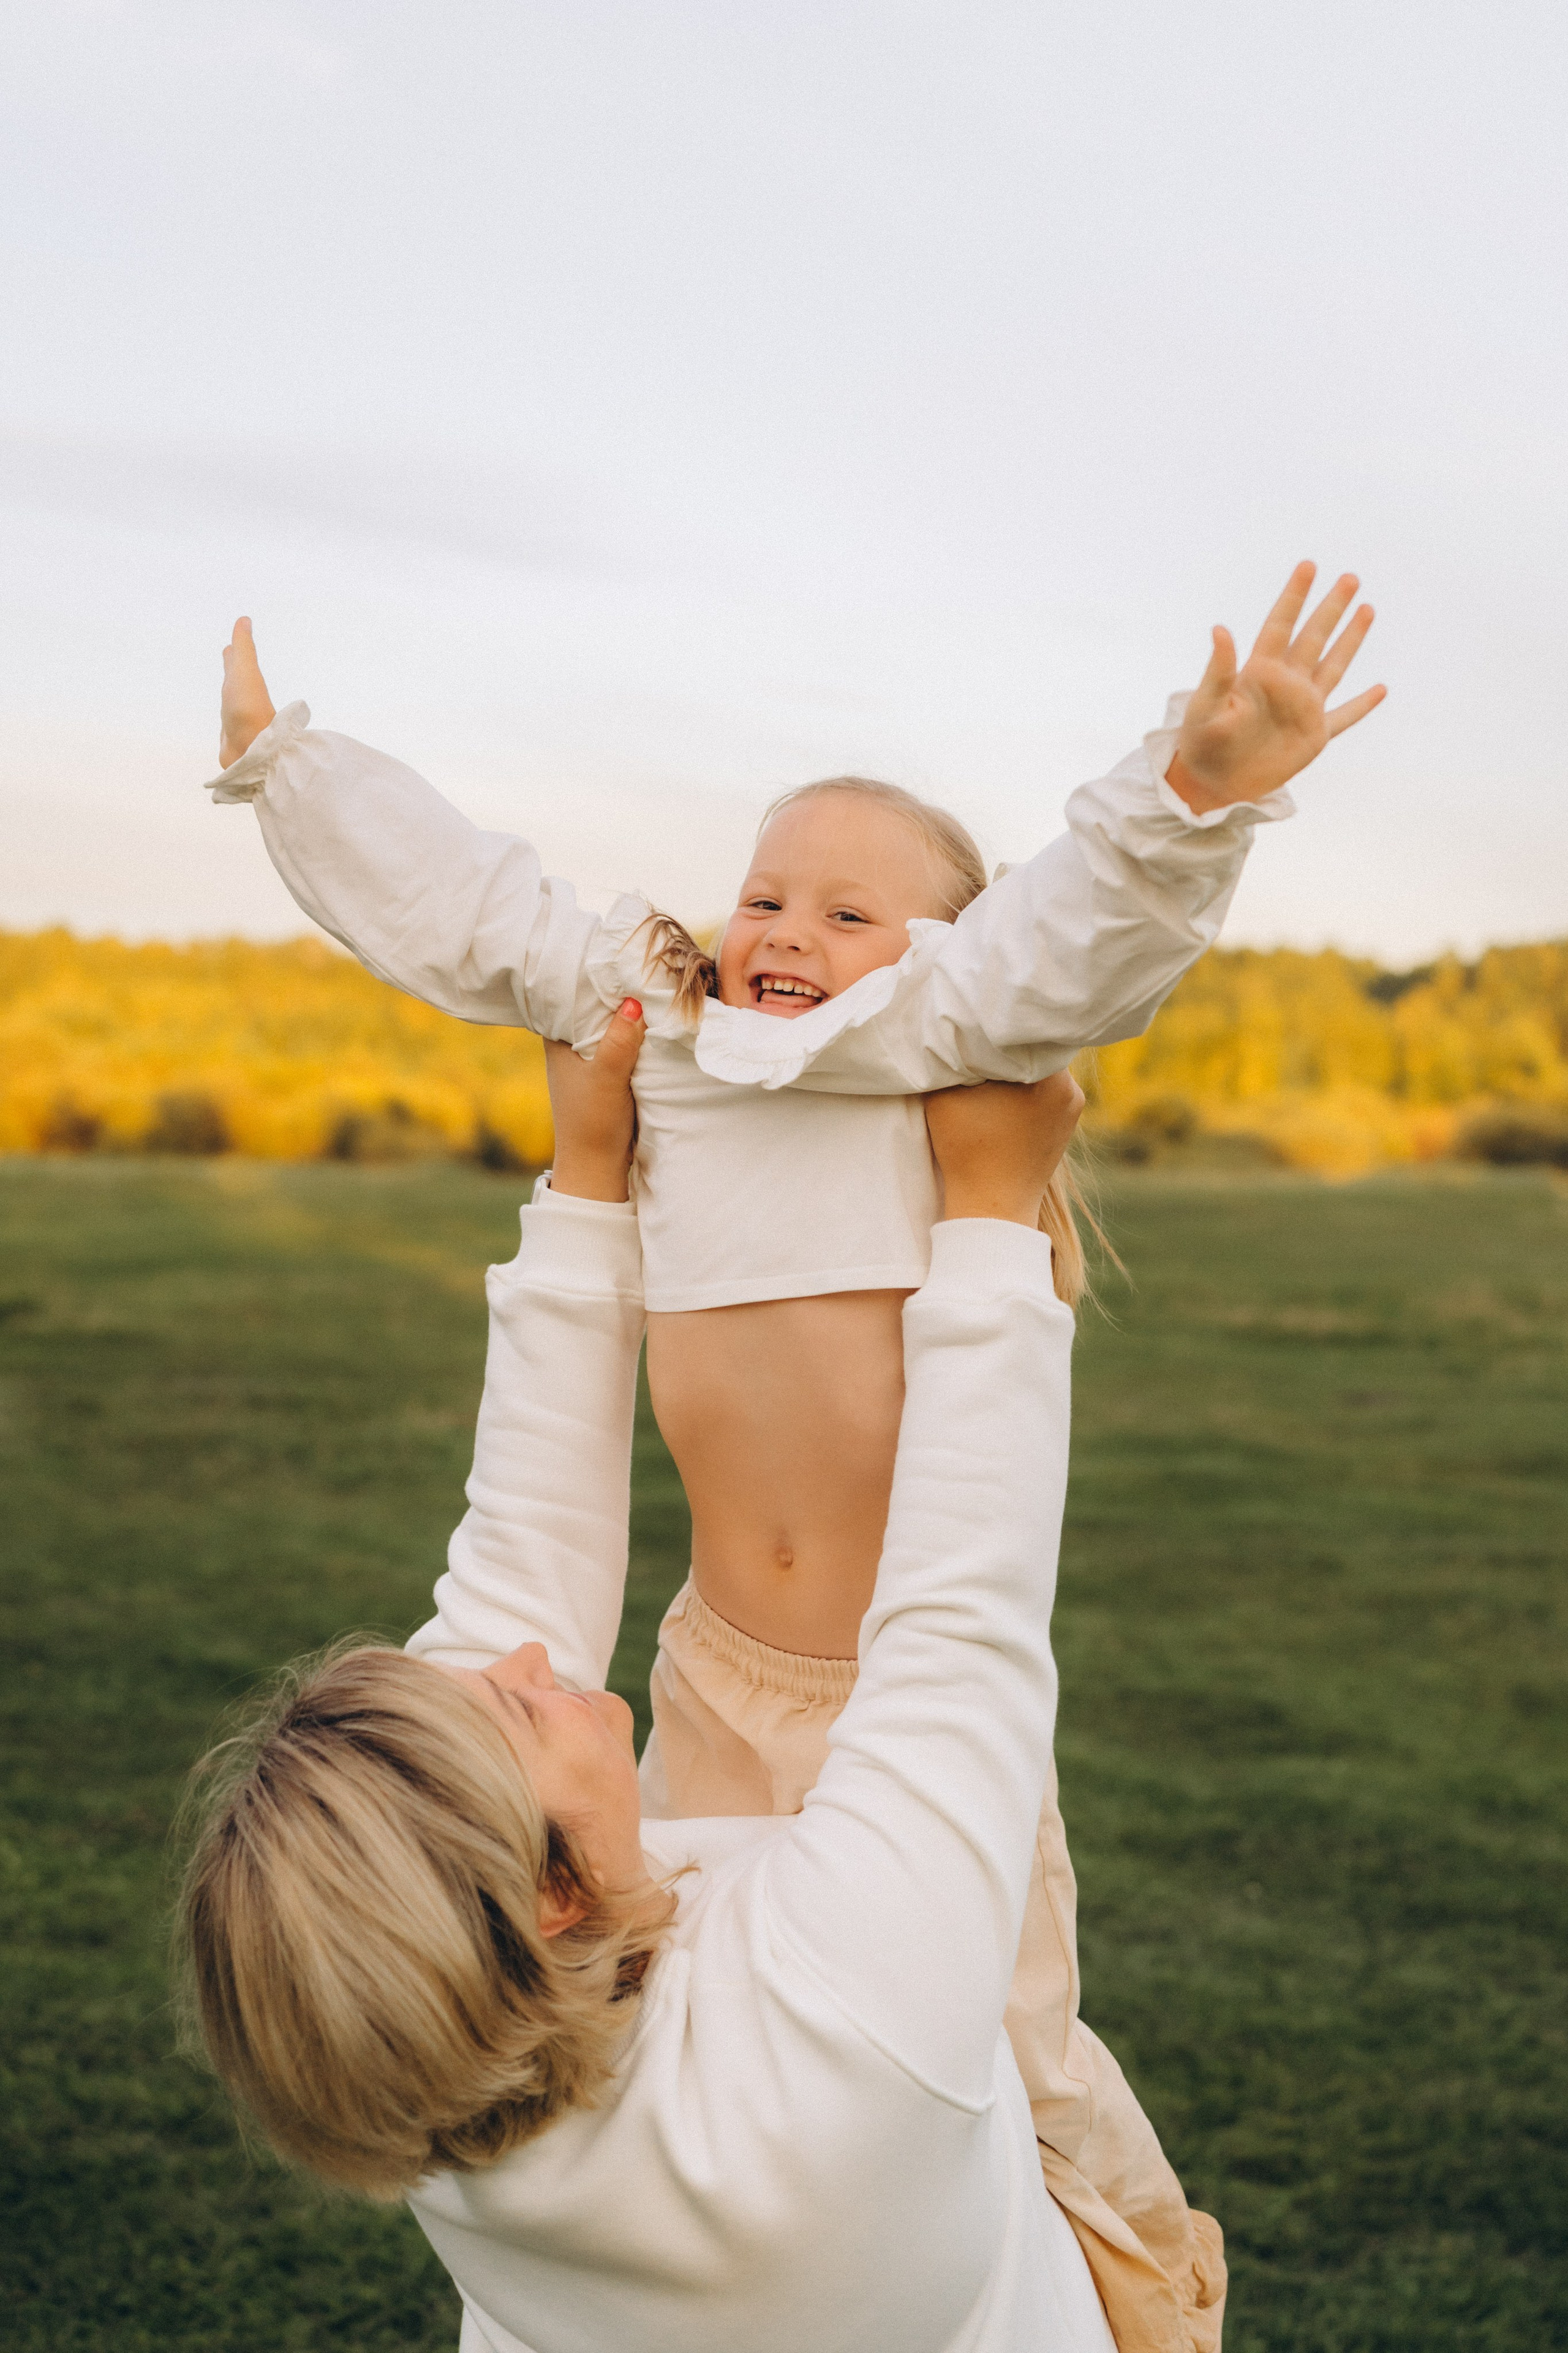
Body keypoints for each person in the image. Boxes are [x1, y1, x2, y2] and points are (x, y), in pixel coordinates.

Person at [204, 565, 1383, 2346]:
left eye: (848, 908)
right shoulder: (670, 1047)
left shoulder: (936, 1047)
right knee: (621, 1989)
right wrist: (294, 775)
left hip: (882, 1686)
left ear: (934, 952)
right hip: (710, 1673)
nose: (781, 928)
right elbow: (482, 914)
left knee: (1009, 2059)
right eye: (765, 889)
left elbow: (1069, 940)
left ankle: (1122, 2298)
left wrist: (1194, 792)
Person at [181, 1043, 1120, 2353]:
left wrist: (586, 1178)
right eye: (511, 1712)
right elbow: (962, 1611)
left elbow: (522, 1547)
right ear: (554, 1893)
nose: (519, 1663)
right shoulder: (846, 2035)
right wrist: (988, 1219)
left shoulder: (429, 2073)